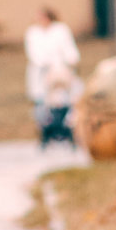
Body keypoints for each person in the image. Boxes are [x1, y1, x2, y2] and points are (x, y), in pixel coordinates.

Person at [25, 7, 80, 143]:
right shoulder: (33, 33)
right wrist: (44, 63)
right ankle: (47, 128)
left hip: (60, 70)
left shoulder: (60, 30)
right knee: (41, 101)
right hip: (41, 71)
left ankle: (65, 127)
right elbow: (34, 53)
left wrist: (72, 60)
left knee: (65, 98)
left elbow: (68, 48)